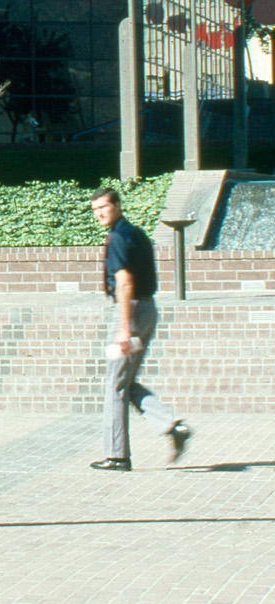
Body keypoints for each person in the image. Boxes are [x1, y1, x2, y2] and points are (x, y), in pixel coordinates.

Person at [89, 184, 191, 471]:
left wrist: (123, 328)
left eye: (104, 208)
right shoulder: (136, 233)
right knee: (126, 382)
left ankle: (117, 455)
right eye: (95, 210)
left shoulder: (118, 237)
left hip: (130, 310)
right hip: (148, 309)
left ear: (117, 206)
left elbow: (124, 282)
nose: (99, 214)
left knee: (114, 384)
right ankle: (172, 426)